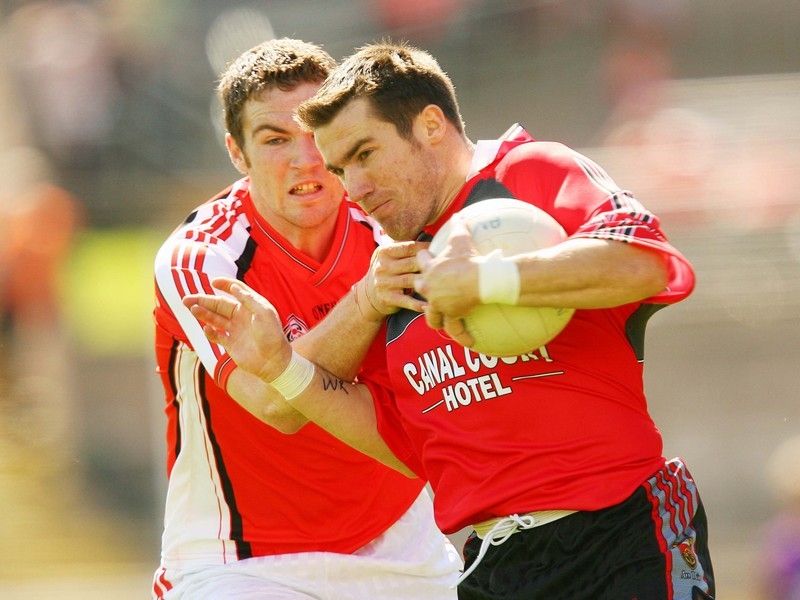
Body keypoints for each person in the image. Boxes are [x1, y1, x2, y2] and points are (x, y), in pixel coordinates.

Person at [185, 41, 715, 599]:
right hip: (495, 564)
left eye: (365, 154)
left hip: (623, 533)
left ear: (431, 125)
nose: (354, 189)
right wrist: (283, 367)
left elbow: (645, 262)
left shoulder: (529, 171)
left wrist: (491, 280)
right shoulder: (394, 270)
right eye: (341, 168)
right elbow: (403, 441)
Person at [151, 38, 461, 600]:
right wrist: (366, 301)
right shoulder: (200, 258)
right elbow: (277, 407)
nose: (306, 159)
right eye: (275, 139)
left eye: (315, 133)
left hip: (403, 545)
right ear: (237, 152)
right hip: (243, 561)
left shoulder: (390, 226)